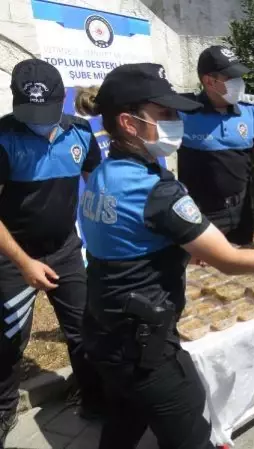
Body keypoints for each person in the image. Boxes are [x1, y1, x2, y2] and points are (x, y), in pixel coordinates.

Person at [75, 62, 254, 449]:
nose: (176, 121)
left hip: (106, 327)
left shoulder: (106, 173)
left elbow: (126, 240)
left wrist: (176, 251)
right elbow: (230, 260)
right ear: (129, 123)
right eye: (165, 114)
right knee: (190, 426)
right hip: (142, 344)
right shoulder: (155, 190)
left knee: (126, 416)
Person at [0, 59, 104, 445]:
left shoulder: (79, 133)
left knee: (83, 331)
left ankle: (94, 399)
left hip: (64, 251)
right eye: (30, 112)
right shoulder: (3, 137)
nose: (38, 121)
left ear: (63, 100)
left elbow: (98, 185)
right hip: (13, 257)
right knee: (8, 340)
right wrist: (24, 263)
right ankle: (4, 410)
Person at [178, 45, 254, 246]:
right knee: (202, 272)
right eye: (232, 78)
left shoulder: (251, 112)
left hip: (241, 210)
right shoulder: (183, 112)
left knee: (242, 263)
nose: (240, 83)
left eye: (239, 76)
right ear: (209, 81)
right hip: (201, 214)